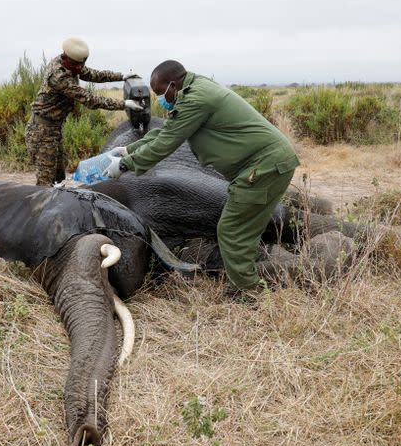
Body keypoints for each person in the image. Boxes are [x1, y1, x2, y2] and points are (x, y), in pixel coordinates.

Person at [104, 60, 300, 294]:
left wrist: (125, 165)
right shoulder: (193, 91)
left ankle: (248, 292)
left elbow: (168, 142)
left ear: (173, 85)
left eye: (160, 93)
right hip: (263, 163)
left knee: (231, 230)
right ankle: (250, 281)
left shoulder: (197, 99)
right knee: (242, 229)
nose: (159, 99)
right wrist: (129, 150)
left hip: (264, 165)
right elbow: (166, 131)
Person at [25, 37, 143, 186]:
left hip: (53, 128)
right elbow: (89, 100)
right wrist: (124, 104)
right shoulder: (59, 76)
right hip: (41, 131)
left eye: (83, 64)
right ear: (66, 58)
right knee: (45, 184)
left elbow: (94, 75)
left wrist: (121, 76)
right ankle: (40, 209)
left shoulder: (72, 65)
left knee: (58, 178)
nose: (81, 68)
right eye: (77, 65)